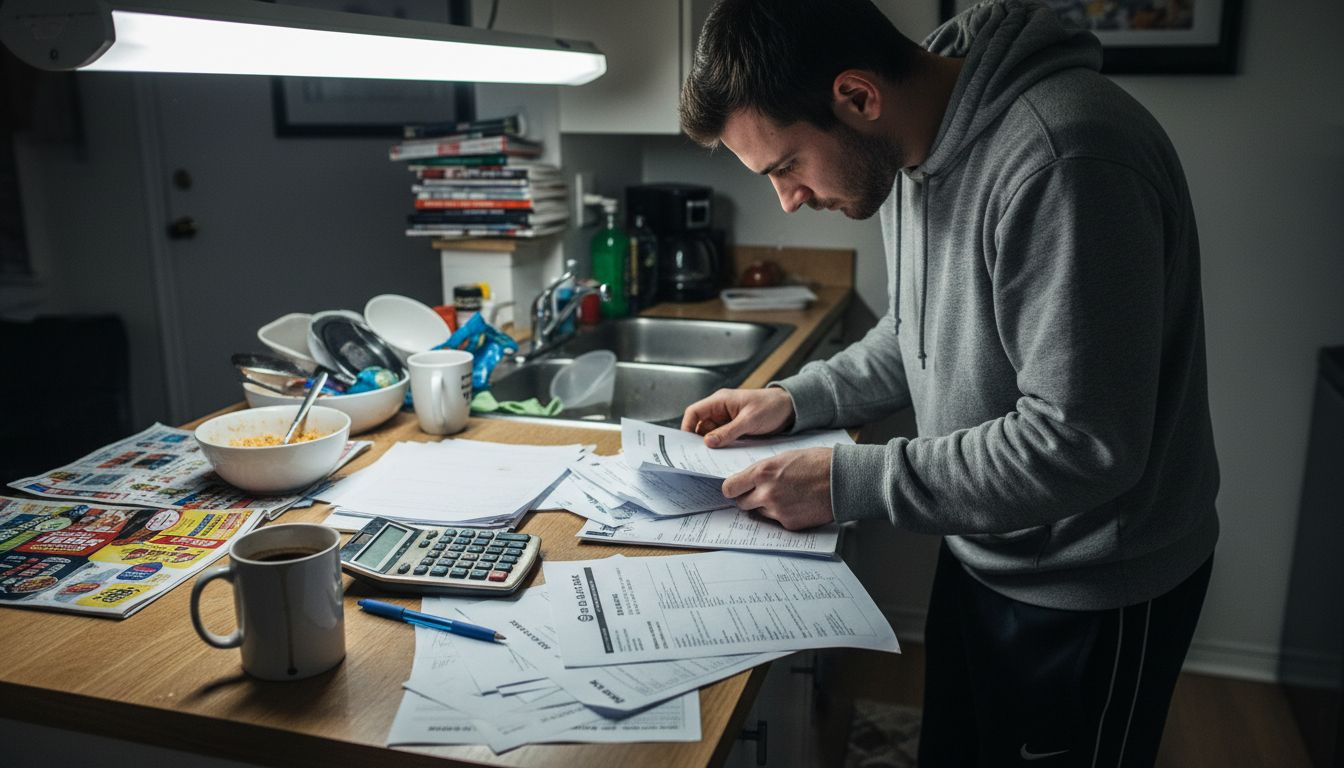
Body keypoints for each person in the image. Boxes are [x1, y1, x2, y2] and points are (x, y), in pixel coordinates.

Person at [678, 1, 1219, 765]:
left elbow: (1082, 443)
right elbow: (919, 333)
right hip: (985, 548)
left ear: (857, 96)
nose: (788, 199)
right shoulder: (908, 149)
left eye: (786, 165)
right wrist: (799, 398)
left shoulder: (1065, 158)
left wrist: (846, 481)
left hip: (1093, 586)